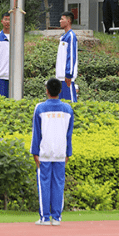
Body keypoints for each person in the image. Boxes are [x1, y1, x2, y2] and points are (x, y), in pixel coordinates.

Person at [30, 77, 74, 226]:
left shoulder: (40, 108)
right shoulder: (68, 109)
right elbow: (69, 134)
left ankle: (45, 217)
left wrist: (34, 152)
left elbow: (36, 133)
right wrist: (68, 152)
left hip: (45, 151)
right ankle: (56, 217)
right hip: (61, 151)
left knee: (44, 184)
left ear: (47, 91)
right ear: (60, 91)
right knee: (58, 184)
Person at [55, 11, 78, 102]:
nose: (60, 21)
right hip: (60, 77)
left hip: (67, 78)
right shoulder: (63, 36)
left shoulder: (71, 36)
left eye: (62, 19)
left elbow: (71, 56)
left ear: (68, 21)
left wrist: (69, 74)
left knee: (70, 103)